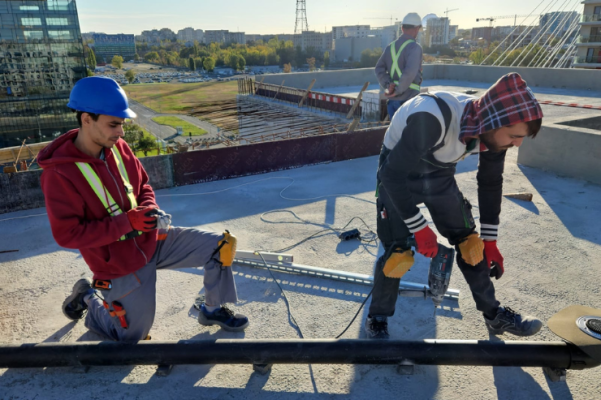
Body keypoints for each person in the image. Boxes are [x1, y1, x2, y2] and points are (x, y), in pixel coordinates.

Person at [38, 76, 249, 342]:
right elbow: (67, 235)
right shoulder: (59, 173)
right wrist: (128, 222)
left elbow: (143, 186)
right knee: (132, 337)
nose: (121, 132)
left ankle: (211, 309)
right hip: (117, 263)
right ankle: (89, 298)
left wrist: (149, 208)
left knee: (222, 245)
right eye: (114, 124)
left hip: (151, 239)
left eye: (122, 124)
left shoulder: (118, 148)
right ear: (86, 119)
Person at [365, 72, 544, 339]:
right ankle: (377, 317)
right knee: (398, 254)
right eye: (514, 136)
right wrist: (419, 228)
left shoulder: (492, 128)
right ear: (497, 121)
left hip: (438, 174)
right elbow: (392, 175)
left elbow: (491, 183)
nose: (517, 143)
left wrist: (490, 240)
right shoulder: (430, 118)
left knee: (472, 246)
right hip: (397, 173)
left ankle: (494, 316)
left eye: (520, 139)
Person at [375, 12, 423, 120]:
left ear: (402, 28)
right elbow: (409, 73)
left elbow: (378, 69)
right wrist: (398, 90)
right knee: (410, 136)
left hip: (393, 103)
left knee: (396, 136)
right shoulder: (414, 48)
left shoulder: (389, 47)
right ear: (416, 29)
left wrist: (388, 85)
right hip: (409, 102)